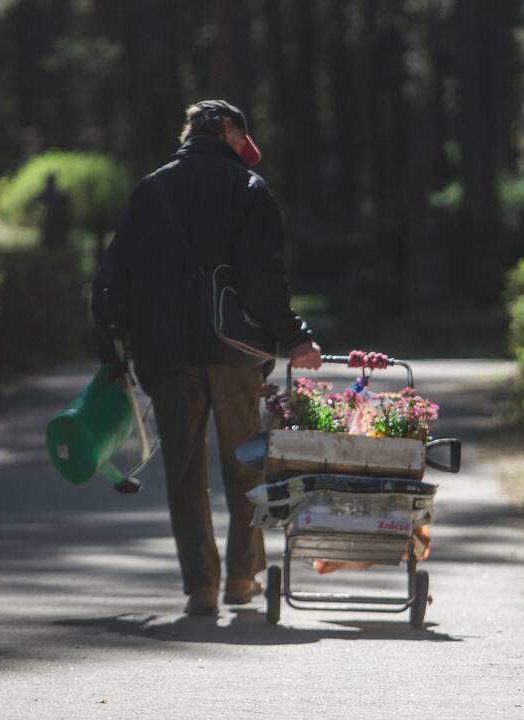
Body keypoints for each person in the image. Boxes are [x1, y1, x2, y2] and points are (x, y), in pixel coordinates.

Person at [91, 99, 321, 616]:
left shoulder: (150, 190)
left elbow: (113, 280)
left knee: (184, 470)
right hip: (234, 353)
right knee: (246, 463)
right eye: (243, 135)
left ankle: (201, 589)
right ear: (226, 130)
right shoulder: (248, 190)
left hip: (166, 354)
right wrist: (295, 337)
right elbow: (265, 281)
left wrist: (113, 350)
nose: (247, 145)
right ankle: (242, 578)